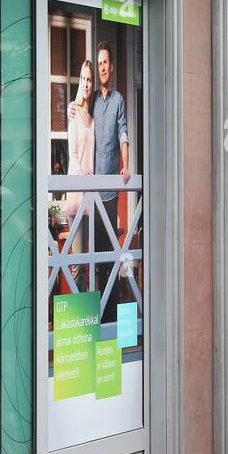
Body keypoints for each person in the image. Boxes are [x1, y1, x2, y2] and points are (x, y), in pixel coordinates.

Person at [78, 41, 130, 317]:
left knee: (109, 255)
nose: (102, 68)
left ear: (112, 66)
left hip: (109, 192)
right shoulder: (94, 100)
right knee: (92, 254)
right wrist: (75, 110)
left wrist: (126, 165)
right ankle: (94, 313)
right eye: (98, 64)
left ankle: (109, 314)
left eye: (105, 63)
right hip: (91, 193)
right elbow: (82, 119)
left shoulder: (118, 100)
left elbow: (123, 132)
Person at [63, 59, 96, 224]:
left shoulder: (93, 118)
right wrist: (83, 176)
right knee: (76, 249)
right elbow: (73, 154)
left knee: (90, 250)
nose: (85, 84)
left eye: (89, 80)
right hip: (77, 190)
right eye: (83, 79)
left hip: (90, 193)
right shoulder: (73, 110)